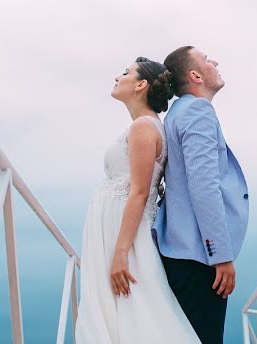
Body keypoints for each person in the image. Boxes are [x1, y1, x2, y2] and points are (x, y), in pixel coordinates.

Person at [75, 57, 200, 343]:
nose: (118, 77)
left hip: (125, 236)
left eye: (125, 73)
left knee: (141, 310)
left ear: (141, 85)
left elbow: (140, 191)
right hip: (114, 231)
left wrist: (121, 252)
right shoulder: (145, 125)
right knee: (121, 312)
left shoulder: (144, 127)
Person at [153, 46, 249, 344]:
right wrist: (220, 254)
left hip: (178, 253)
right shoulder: (197, 111)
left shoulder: (174, 115)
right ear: (194, 75)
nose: (215, 62)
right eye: (207, 59)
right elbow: (203, 184)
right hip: (198, 258)